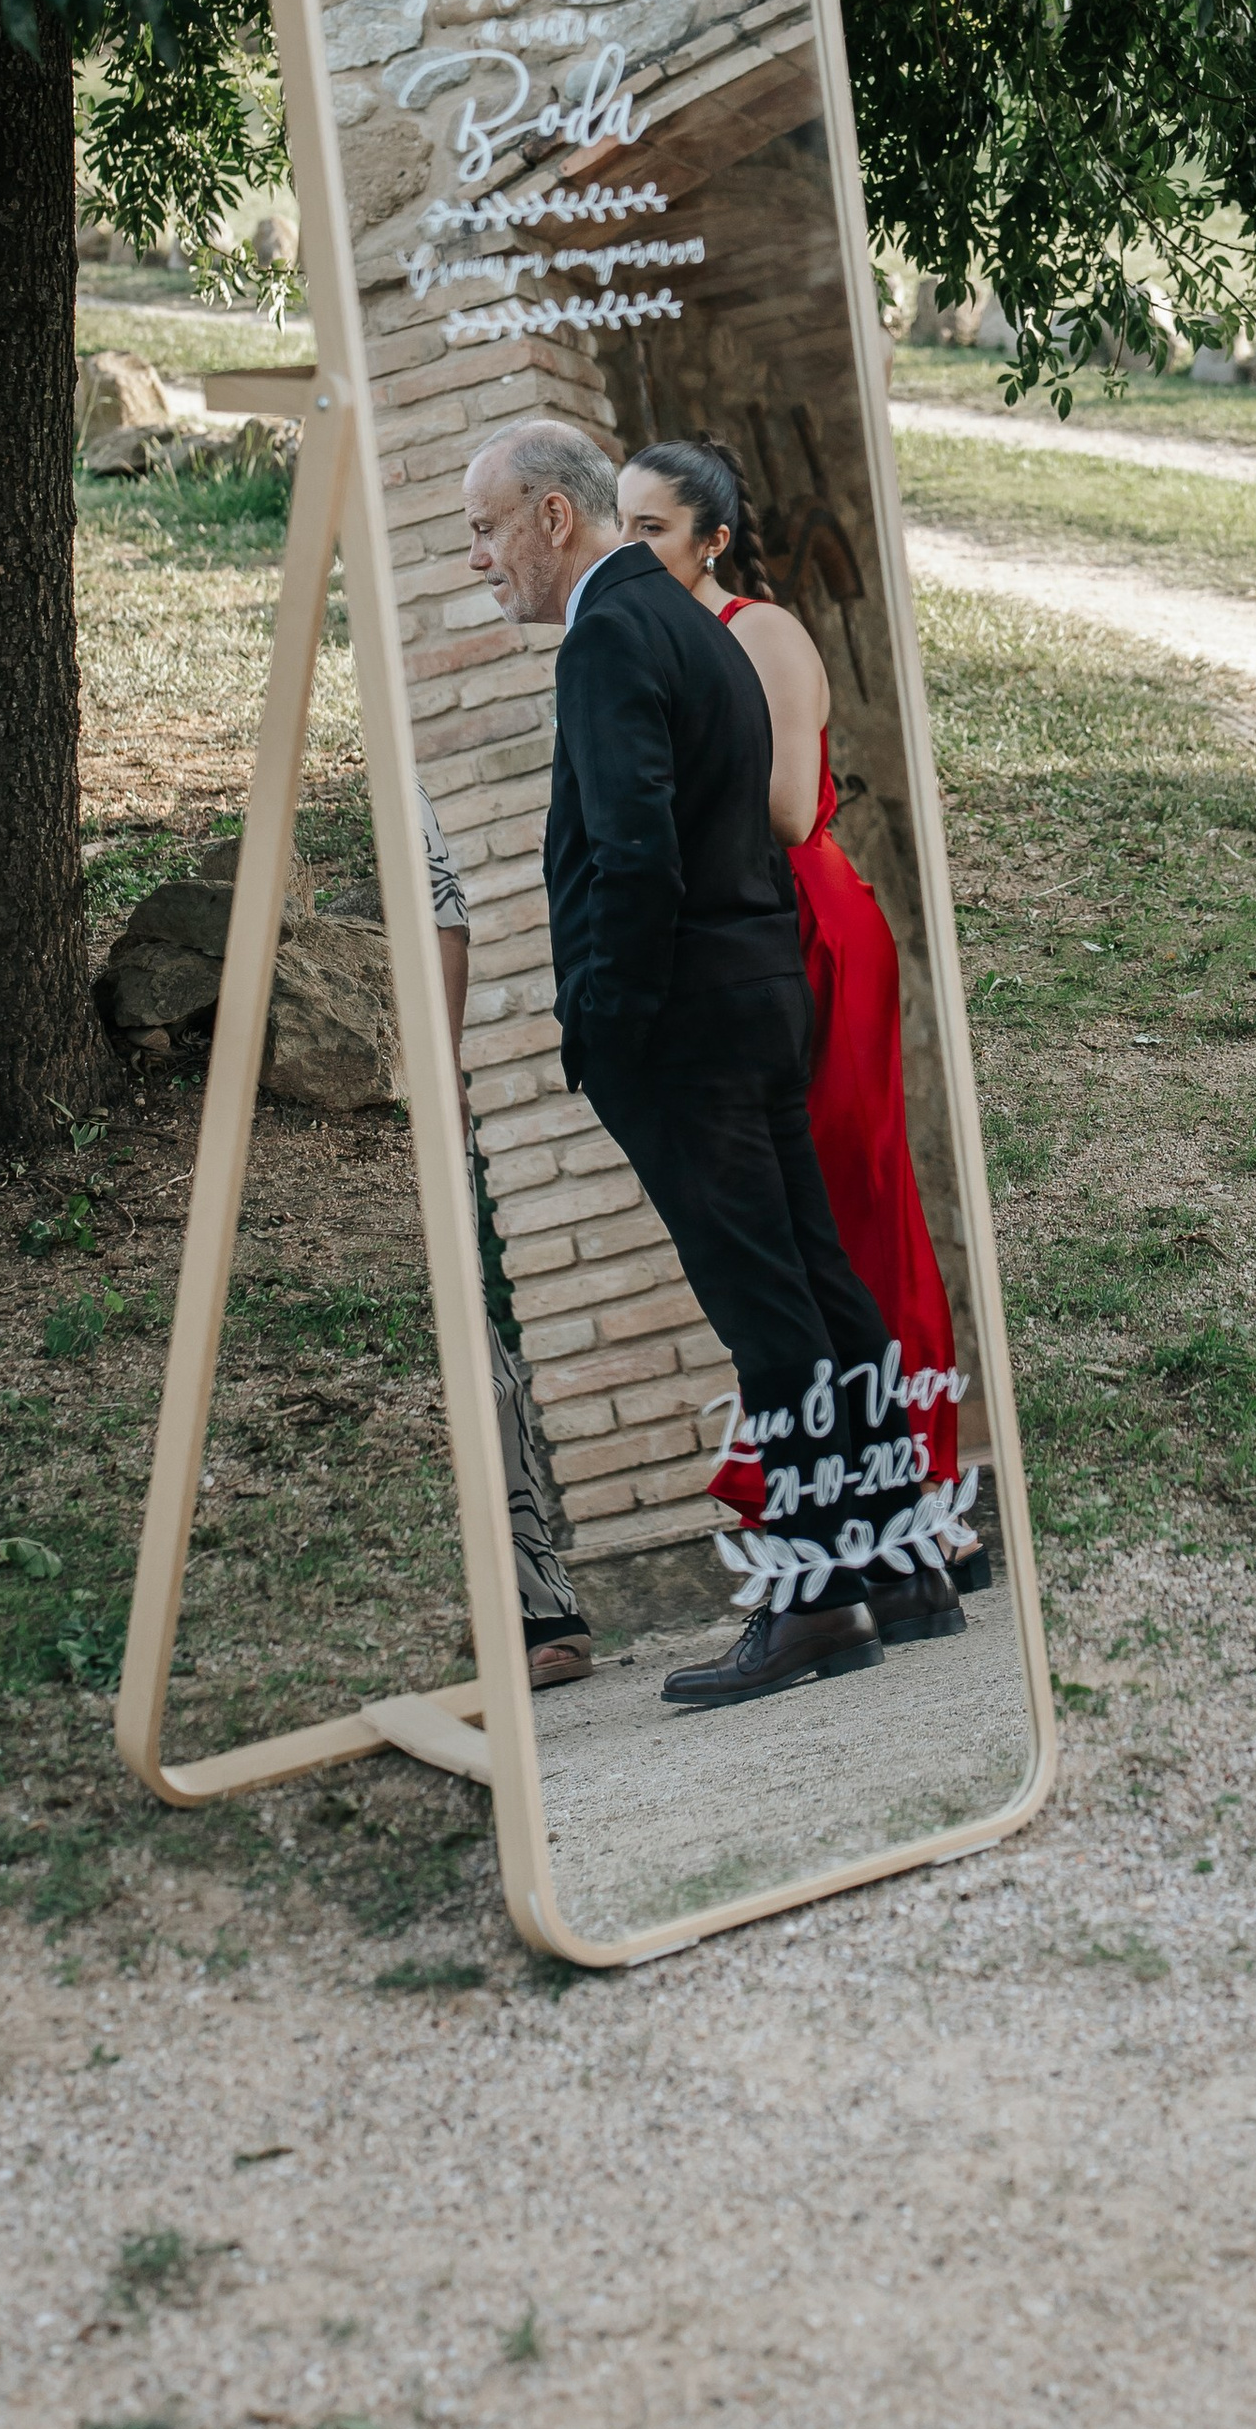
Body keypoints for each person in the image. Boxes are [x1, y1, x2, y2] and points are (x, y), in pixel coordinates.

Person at [461, 417, 961, 1705]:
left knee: (766, 1310)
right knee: (820, 1284)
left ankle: (810, 1600)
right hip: (752, 1000)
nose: (479, 558)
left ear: (553, 518)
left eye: (485, 528)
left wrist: (608, 1026)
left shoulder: (615, 633)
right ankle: (897, 1560)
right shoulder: (691, 621)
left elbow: (633, 855)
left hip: (685, 1023)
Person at [614, 437, 984, 1598]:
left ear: (710, 541)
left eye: (651, 534)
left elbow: (780, 809)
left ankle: (926, 1505)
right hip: (751, 939)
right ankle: (866, 1499)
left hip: (810, 925)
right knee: (796, 1223)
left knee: (850, 1207)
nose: (632, 554)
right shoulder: (657, 646)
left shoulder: (756, 632)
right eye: (617, 528)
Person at [414, 779, 594, 1689]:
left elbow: (443, 910)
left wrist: (440, 1077)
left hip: (402, 1103)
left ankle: (536, 1608)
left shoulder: (402, 783)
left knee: (476, 1355)